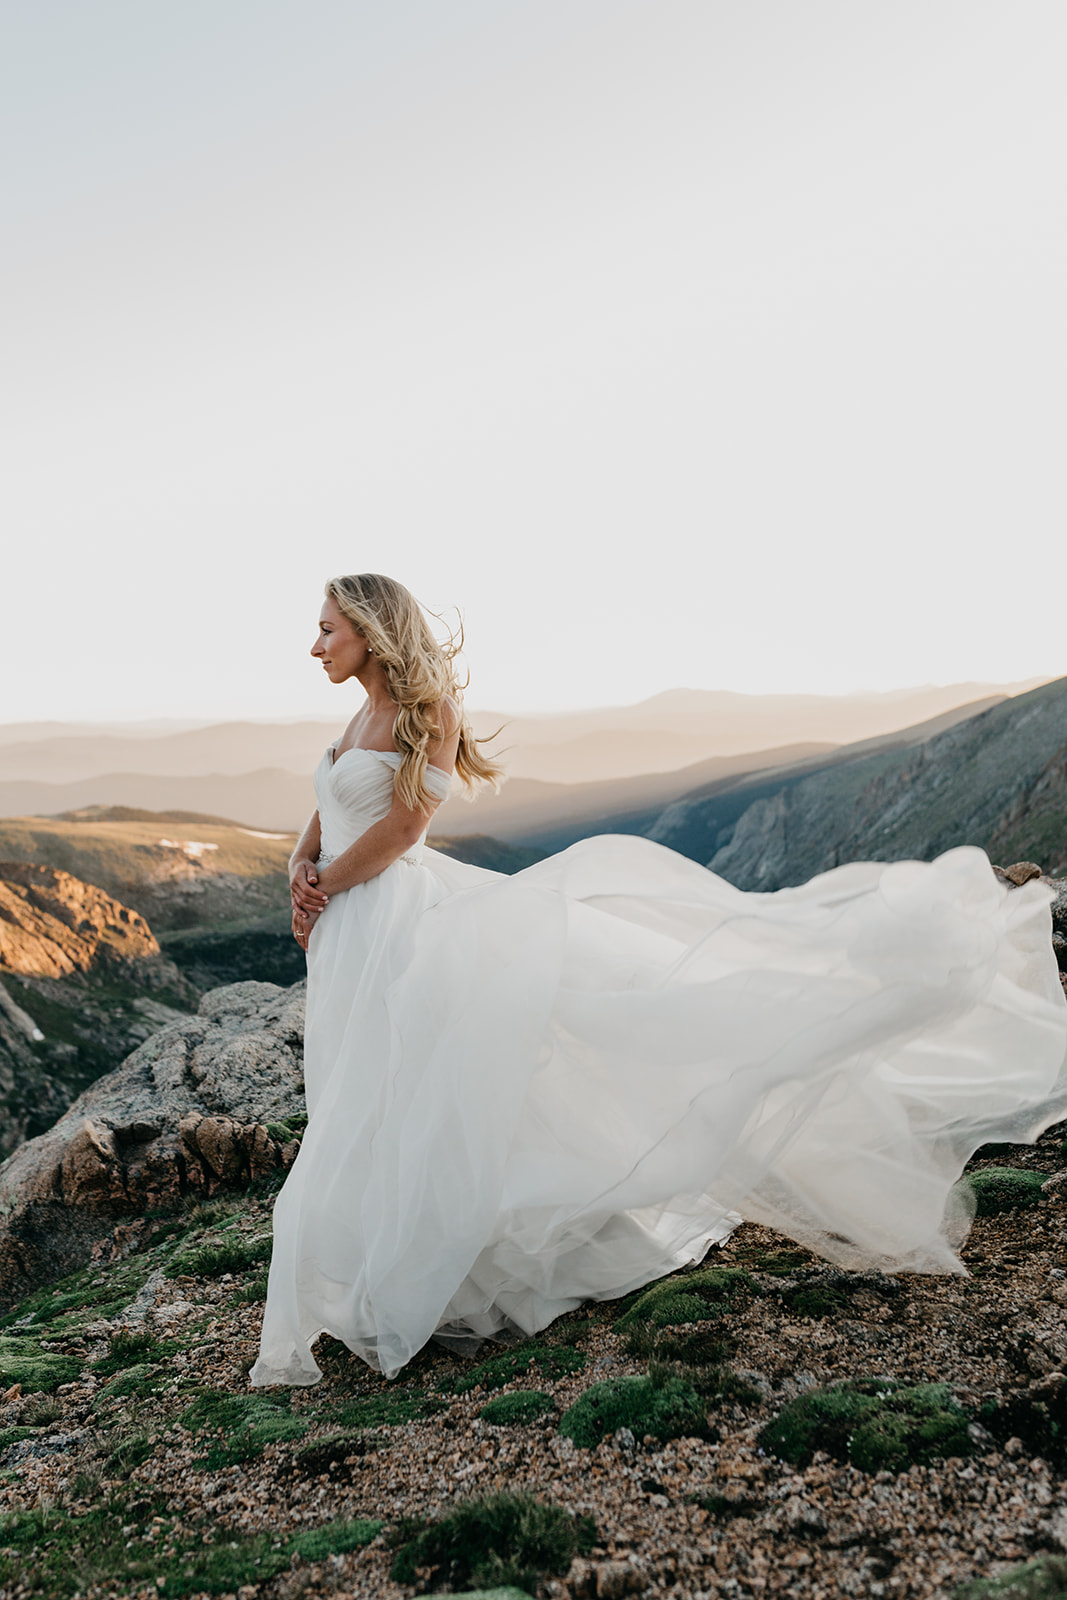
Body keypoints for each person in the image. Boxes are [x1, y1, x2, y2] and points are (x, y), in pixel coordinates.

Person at [250, 573, 1067, 1387]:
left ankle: (438, 1265)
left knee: (414, 1082)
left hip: (388, 911)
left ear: (371, 630)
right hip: (349, 922)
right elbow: (332, 804)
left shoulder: (427, 715)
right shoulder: (357, 712)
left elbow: (404, 827)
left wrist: (326, 885)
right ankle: (380, 1258)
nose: (314, 644)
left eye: (327, 629)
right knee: (369, 1087)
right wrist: (299, 864)